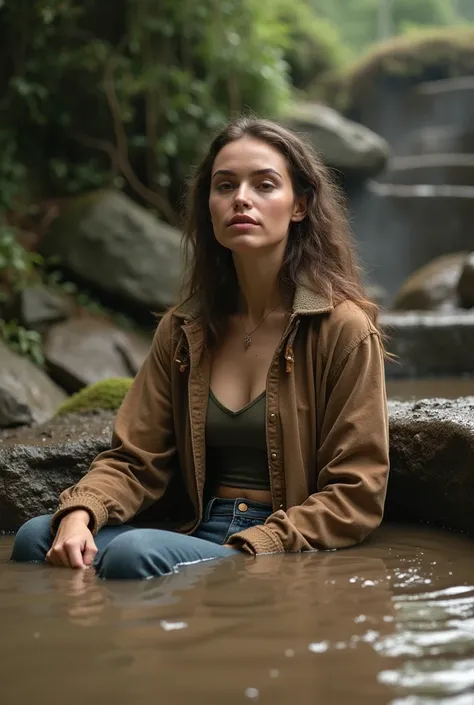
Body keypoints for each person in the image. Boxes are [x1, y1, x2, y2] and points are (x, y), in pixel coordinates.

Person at [11, 117, 390, 580]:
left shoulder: (342, 329)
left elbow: (356, 491)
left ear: (300, 205)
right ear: (209, 208)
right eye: (225, 185)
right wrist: (83, 511)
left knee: (135, 554)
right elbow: (136, 458)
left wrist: (261, 543)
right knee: (36, 536)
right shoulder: (185, 328)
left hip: (273, 538)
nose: (241, 199)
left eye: (265, 184)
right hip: (195, 527)